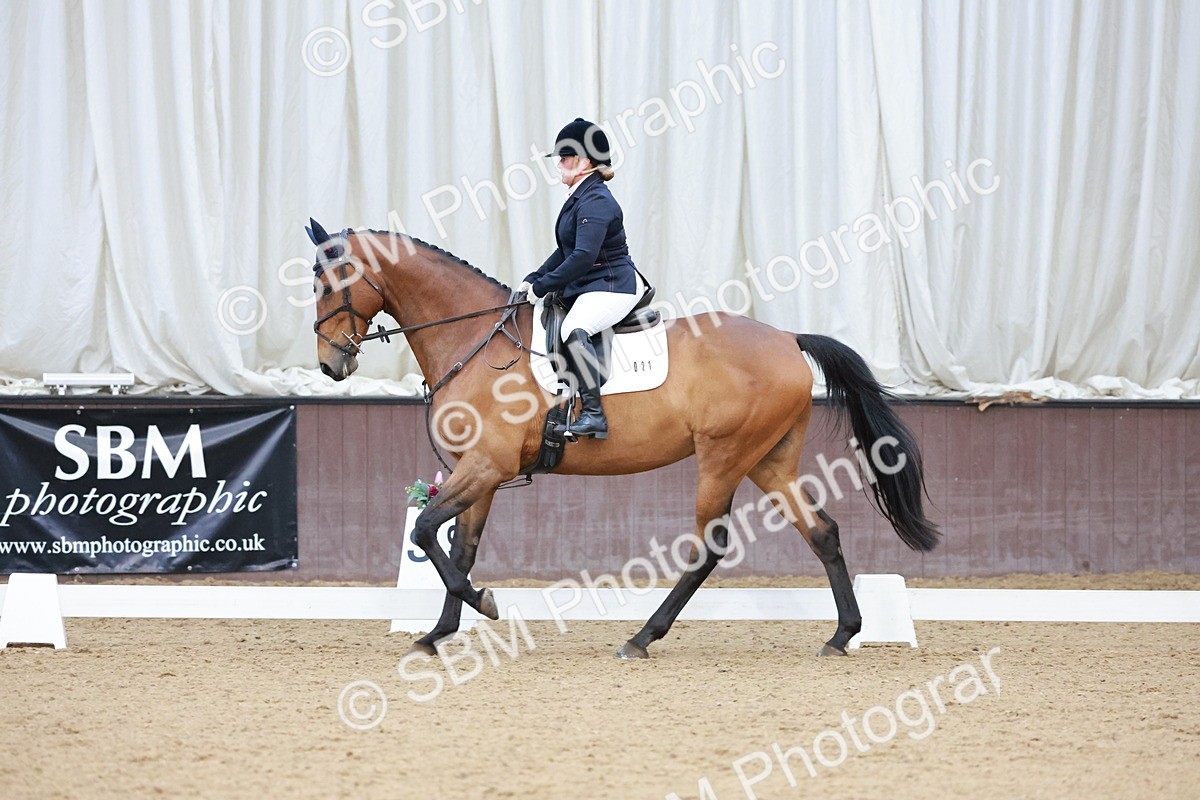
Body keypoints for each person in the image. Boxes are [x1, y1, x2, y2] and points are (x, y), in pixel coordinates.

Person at [516, 118, 646, 440]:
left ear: (585, 162)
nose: (559, 163)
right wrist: (534, 278)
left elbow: (583, 257)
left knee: (575, 329)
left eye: (565, 157)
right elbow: (565, 250)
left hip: (613, 285)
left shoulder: (596, 200)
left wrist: (543, 286)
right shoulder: (581, 196)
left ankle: (593, 414)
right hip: (593, 284)